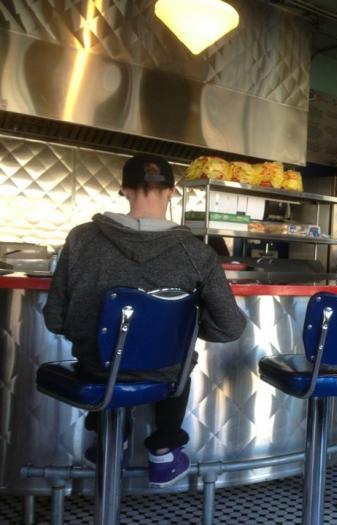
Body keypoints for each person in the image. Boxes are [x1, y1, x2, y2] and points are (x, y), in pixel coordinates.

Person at [43, 154, 247, 487]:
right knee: (179, 364)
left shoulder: (80, 239)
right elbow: (230, 327)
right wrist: (189, 331)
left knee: (102, 361)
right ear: (172, 192)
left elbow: (55, 319)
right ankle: (164, 451)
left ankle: (111, 441)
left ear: (124, 190)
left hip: (97, 370)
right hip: (166, 375)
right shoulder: (198, 253)